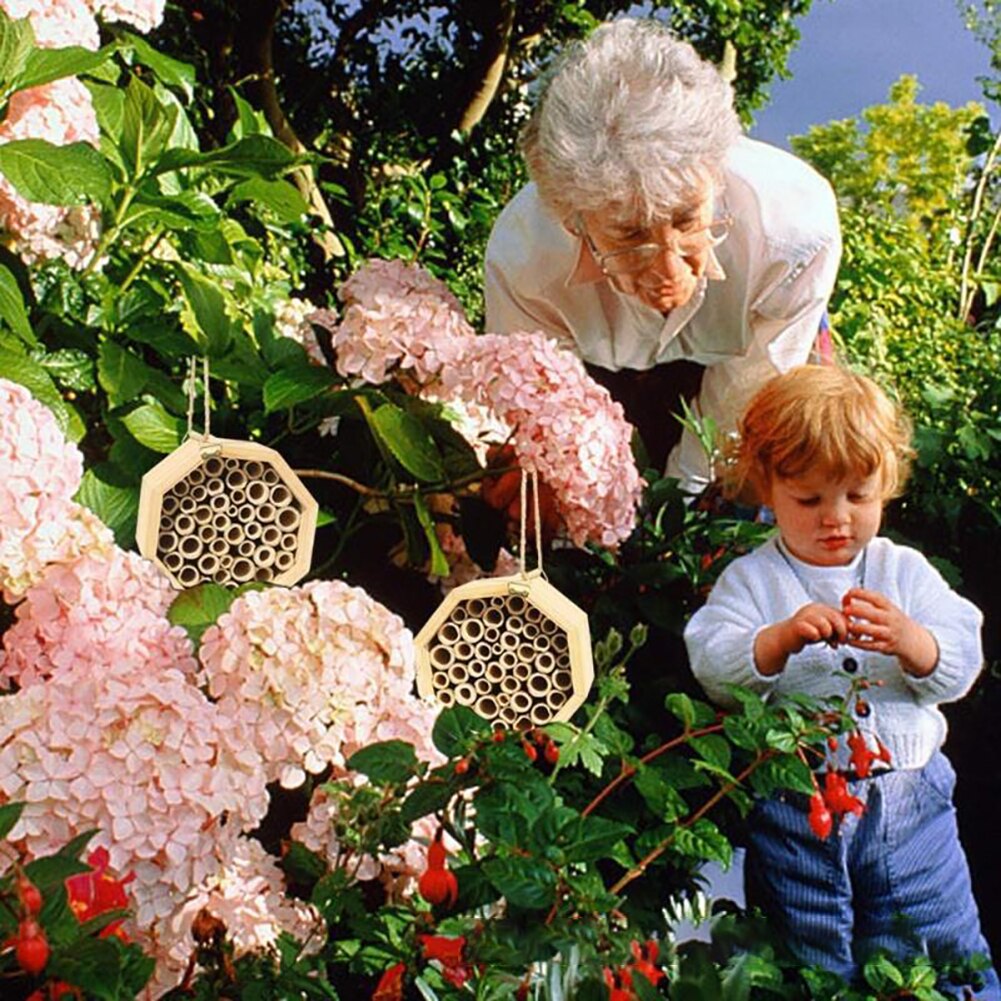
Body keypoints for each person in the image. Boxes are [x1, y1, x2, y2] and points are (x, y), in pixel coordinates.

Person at [683, 365, 998, 995]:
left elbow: (963, 657)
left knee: (936, 938)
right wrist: (776, 641)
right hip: (796, 806)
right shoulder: (753, 580)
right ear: (767, 487)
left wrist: (914, 643)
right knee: (810, 948)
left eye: (859, 496)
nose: (837, 518)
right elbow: (714, 662)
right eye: (810, 500)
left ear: (886, 484)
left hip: (909, 804)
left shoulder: (903, 572)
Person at [484, 17, 841, 492]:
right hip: (598, 376)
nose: (668, 271)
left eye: (687, 220)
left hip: (749, 358)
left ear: (715, 172)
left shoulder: (793, 231)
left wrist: (684, 495)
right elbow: (546, 410)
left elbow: (746, 391)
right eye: (631, 235)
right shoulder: (523, 258)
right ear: (573, 220)